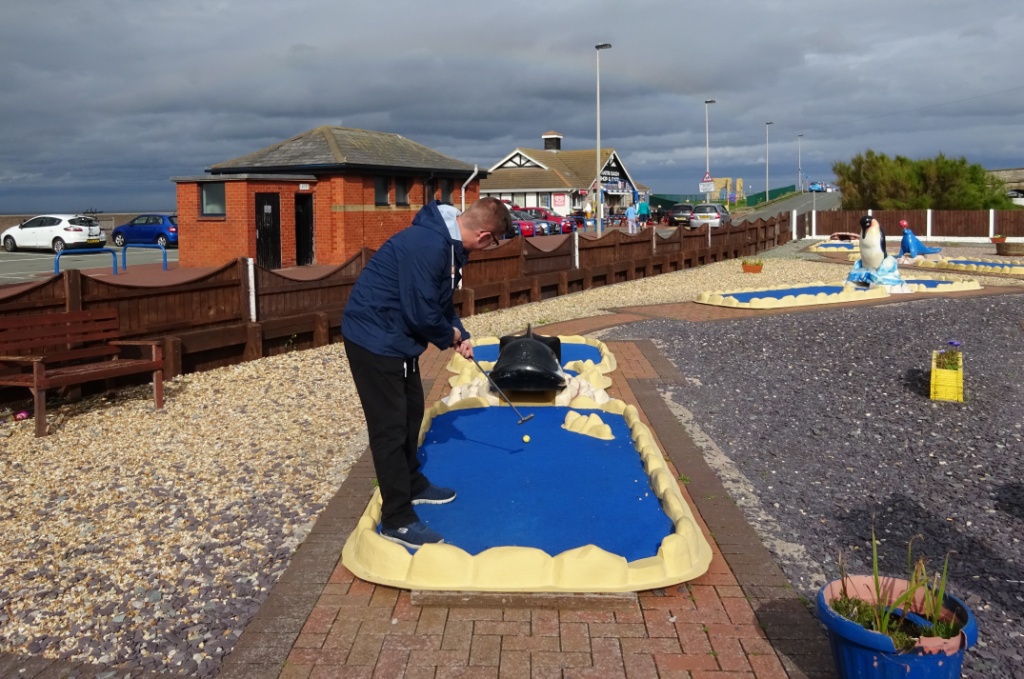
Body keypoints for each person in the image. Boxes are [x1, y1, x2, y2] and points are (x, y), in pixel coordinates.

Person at [341, 197, 513, 549]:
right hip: (374, 337)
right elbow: (420, 312)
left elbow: (439, 301)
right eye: (493, 242)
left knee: (411, 413)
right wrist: (446, 336)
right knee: (389, 428)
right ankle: (397, 519)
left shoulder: (447, 245)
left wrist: (459, 333)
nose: (489, 248)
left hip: (397, 338)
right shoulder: (429, 246)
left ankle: (412, 483)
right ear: (483, 236)